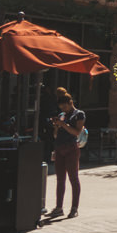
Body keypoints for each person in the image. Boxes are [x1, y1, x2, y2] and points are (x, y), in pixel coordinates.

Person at [48, 87, 85, 219]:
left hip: (71, 148)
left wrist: (63, 125)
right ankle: (59, 207)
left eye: (65, 107)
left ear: (70, 103)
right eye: (61, 107)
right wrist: (57, 127)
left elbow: (76, 132)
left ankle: (74, 208)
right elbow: (56, 135)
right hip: (59, 148)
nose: (63, 110)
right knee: (60, 179)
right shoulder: (61, 115)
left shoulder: (79, 114)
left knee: (73, 178)